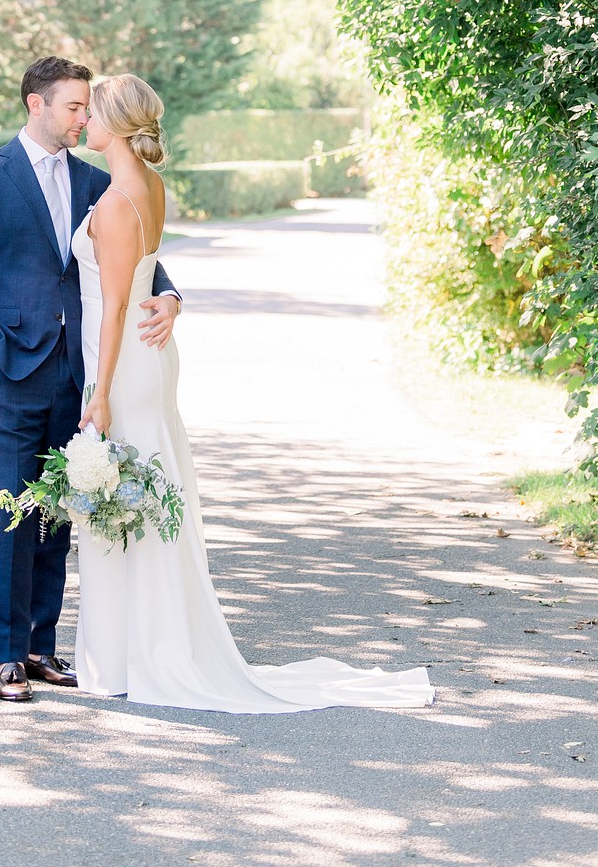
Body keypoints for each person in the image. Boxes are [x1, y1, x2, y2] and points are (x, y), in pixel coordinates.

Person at [74, 71, 435, 714]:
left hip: (125, 361)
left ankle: (136, 655)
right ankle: (139, 647)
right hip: (148, 356)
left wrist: (97, 393)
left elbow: (115, 303)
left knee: (125, 493)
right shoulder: (148, 187)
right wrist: (169, 302)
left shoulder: (113, 202)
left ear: (117, 125)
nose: (83, 122)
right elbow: (148, 278)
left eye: (92, 111)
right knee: (147, 489)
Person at [0, 55, 182, 703]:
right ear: (35, 104)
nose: (82, 117)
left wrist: (174, 296)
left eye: (87, 108)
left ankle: (44, 647)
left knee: (61, 517)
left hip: (76, 376)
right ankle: (7, 657)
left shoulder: (93, 180)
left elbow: (135, 262)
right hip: (10, 370)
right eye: (73, 106)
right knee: (12, 512)